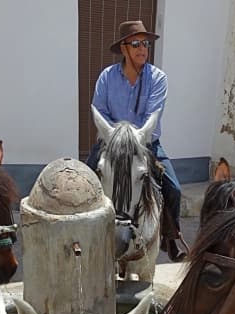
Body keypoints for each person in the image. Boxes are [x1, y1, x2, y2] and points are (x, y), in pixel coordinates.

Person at [86, 20, 187, 262]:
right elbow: (100, 110)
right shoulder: (107, 77)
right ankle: (85, 235)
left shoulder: (158, 78)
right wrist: (116, 137)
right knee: (85, 181)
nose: (143, 48)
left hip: (146, 144)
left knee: (174, 189)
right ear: (124, 48)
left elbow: (152, 115)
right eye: (136, 44)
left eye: (145, 44)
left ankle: (171, 236)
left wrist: (133, 138)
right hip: (111, 144)